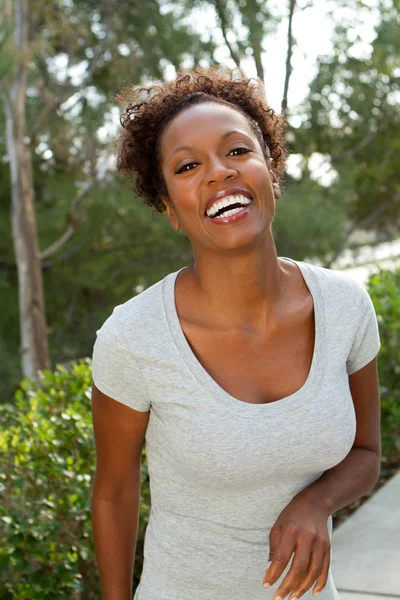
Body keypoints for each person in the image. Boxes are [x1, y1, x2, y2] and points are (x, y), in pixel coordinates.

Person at [90, 66, 381, 600]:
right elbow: (113, 492)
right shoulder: (132, 339)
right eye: (187, 166)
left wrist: (316, 502)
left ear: (272, 171)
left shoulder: (345, 307)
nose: (219, 173)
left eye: (237, 151)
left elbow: (365, 453)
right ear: (169, 208)